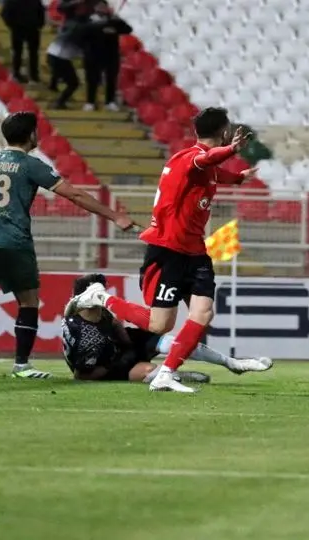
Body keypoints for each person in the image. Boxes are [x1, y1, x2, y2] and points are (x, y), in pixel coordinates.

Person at [0, 111, 139, 378]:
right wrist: (115, 215)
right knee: (28, 302)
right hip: (12, 241)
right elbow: (74, 194)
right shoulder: (30, 164)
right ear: (30, 135)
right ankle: (21, 365)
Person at [70, 107, 258, 393]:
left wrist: (239, 177)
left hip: (195, 252)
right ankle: (101, 297)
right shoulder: (190, 158)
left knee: (203, 313)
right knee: (160, 325)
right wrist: (232, 150)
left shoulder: (203, 167)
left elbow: (215, 173)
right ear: (224, 132)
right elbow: (206, 160)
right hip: (168, 250)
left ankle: (166, 373)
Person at [63, 273, 272, 383]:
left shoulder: (100, 312)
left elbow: (115, 325)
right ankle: (175, 375)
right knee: (148, 371)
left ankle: (231, 363)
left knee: (174, 342)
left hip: (120, 347)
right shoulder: (80, 331)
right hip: (105, 366)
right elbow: (83, 374)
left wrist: (130, 345)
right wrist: (123, 362)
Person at [81, 0, 131, 112]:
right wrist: (103, 28)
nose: (102, 8)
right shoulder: (88, 19)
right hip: (93, 54)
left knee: (111, 78)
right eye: (99, 6)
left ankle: (110, 102)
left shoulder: (113, 20)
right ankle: (90, 102)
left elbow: (127, 29)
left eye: (104, 6)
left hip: (111, 54)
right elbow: (82, 33)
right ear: (95, 8)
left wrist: (115, 26)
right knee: (92, 79)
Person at [1, 0, 44, 85]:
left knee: (19, 52)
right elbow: (41, 12)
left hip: (20, 28)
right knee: (32, 53)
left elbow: (5, 13)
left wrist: (11, 25)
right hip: (30, 27)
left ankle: (18, 74)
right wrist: (39, 24)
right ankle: (32, 75)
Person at [46, 19, 84, 110]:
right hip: (60, 57)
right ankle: (59, 102)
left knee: (59, 74)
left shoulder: (70, 28)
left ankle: (53, 86)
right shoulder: (77, 34)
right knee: (73, 83)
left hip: (53, 54)